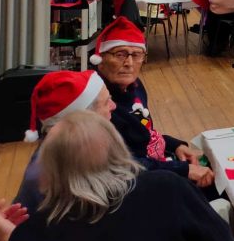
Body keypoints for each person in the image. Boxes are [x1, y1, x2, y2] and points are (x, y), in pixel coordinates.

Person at [0, 111, 234, 241]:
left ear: (48, 170)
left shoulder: (35, 231)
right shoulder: (166, 189)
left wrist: (11, 240)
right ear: (119, 151)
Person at [91, 17, 215, 189]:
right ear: (100, 58)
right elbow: (118, 165)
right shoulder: (99, 102)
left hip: (154, 165)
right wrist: (182, 170)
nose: (129, 63)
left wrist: (174, 144)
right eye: (119, 54)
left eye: (136, 55)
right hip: (132, 184)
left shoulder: (135, 86)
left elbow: (144, 134)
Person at [16, 71, 115, 212]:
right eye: (106, 103)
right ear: (83, 120)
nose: (113, 106)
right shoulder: (45, 177)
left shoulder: (86, 145)